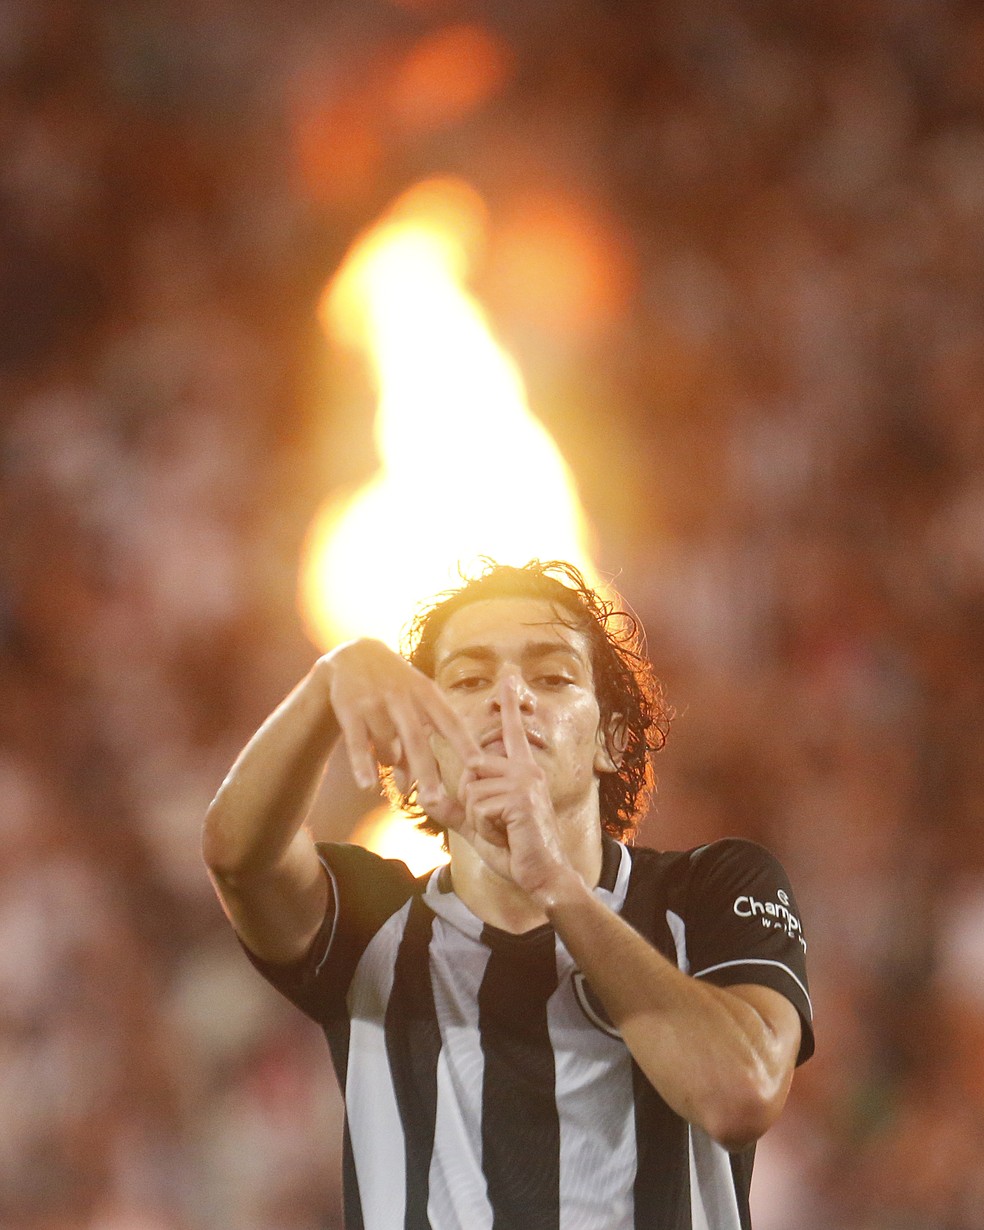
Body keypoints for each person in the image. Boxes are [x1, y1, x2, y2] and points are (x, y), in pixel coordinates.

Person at [202, 560, 813, 1230]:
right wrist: (327, 689)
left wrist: (555, 883)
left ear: (610, 739)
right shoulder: (370, 925)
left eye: (552, 677)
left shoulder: (709, 890)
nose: (509, 696)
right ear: (422, 745)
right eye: (467, 680)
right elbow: (238, 858)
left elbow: (743, 1093)